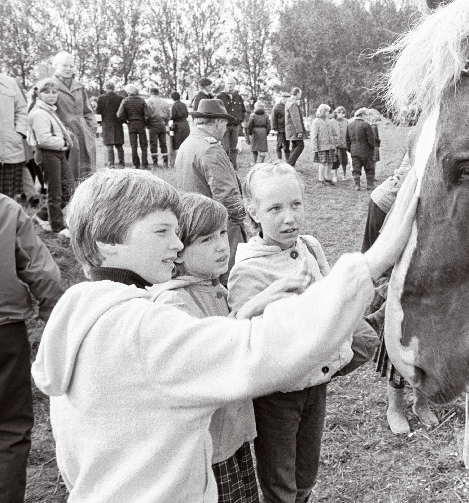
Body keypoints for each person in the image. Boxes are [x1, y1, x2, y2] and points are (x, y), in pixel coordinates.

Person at [30, 166, 415, 502]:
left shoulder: (83, 313)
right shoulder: (139, 329)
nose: (178, 245)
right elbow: (261, 349)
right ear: (107, 242)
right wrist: (373, 261)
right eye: (162, 231)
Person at [227, 162, 378, 503]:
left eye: (295, 204)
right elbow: (244, 336)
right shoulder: (247, 270)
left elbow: (328, 296)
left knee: (306, 466)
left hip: (314, 383)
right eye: (275, 208)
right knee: (280, 474)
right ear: (253, 211)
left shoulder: (309, 246)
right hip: (278, 392)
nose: (289, 218)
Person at [149, 192, 258, 503]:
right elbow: (205, 365)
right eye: (207, 239)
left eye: (223, 233)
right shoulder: (174, 302)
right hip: (208, 448)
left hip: (231, 433)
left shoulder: (214, 287)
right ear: (180, 251)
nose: (222, 245)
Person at [360, 126, 438, 434]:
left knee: (430, 344)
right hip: (404, 283)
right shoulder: (401, 196)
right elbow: (383, 247)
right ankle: (395, 405)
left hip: (436, 280)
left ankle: (423, 401)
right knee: (400, 343)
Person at [0, 193, 62, 503]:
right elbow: (42, 271)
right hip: (5, 330)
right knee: (10, 428)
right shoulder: (5, 208)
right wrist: (53, 315)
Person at [174, 98, 247, 279]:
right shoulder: (211, 149)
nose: (225, 129)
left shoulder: (187, 144)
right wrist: (245, 223)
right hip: (217, 228)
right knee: (230, 278)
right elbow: (228, 197)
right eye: (225, 124)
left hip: (193, 225)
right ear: (217, 122)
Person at [27, 78, 76, 238]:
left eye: (54, 92)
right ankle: (57, 227)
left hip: (57, 153)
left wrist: (66, 136)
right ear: (38, 94)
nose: (51, 95)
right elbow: (44, 139)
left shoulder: (49, 110)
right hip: (48, 154)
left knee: (69, 189)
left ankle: (42, 216)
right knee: (55, 192)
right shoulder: (39, 113)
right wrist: (64, 142)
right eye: (46, 92)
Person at [51, 51, 96, 180]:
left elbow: (88, 111)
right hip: (63, 133)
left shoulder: (79, 86)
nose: (68, 69)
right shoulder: (49, 85)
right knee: (67, 171)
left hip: (83, 133)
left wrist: (91, 128)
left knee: (87, 170)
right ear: (56, 65)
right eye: (65, 65)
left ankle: (87, 196)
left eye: (71, 66)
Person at [0, 72, 28, 200]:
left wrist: (19, 132)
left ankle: (7, 220)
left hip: (9, 149)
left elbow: (22, 109)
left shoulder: (9, 82)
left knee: (8, 198)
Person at [116, 85, 150, 169]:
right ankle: (145, 164)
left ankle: (136, 164)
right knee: (144, 145)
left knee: (133, 145)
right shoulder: (142, 101)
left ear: (128, 92)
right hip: (140, 123)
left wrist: (125, 121)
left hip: (131, 123)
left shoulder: (125, 101)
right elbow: (147, 115)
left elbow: (119, 115)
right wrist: (145, 123)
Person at [216, 79, 246, 170]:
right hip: (225, 125)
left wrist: (240, 120)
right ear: (225, 84)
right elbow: (216, 110)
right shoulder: (220, 96)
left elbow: (243, 110)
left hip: (235, 125)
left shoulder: (238, 97)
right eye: (228, 83)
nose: (230, 85)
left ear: (234, 85)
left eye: (231, 83)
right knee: (225, 147)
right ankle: (225, 166)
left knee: (234, 147)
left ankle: (233, 166)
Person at [345, 107, 377, 191]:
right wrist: (372, 148)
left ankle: (357, 185)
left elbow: (347, 140)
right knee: (369, 168)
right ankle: (370, 185)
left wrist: (350, 149)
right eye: (365, 115)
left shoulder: (349, 125)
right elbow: (371, 139)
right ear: (362, 115)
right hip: (366, 151)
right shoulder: (366, 125)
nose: (366, 117)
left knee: (356, 169)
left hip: (354, 151)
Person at [95, 82, 125, 168]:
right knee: (119, 145)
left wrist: (99, 123)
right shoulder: (120, 98)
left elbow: (98, 112)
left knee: (109, 145)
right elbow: (122, 113)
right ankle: (121, 163)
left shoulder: (101, 98)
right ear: (114, 88)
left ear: (105, 88)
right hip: (118, 123)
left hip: (106, 123)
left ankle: (111, 163)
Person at [310, 104, 338, 186]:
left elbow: (334, 133)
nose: (328, 113)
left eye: (328, 111)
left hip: (330, 146)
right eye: (327, 111)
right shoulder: (316, 122)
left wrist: (335, 141)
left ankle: (328, 178)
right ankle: (321, 179)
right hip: (321, 146)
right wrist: (315, 148)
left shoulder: (329, 121)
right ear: (322, 112)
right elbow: (314, 136)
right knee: (322, 163)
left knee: (330, 163)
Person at [146, 87, 171, 167]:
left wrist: (147, 124)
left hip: (153, 124)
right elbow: (168, 115)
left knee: (153, 144)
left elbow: (147, 115)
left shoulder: (149, 102)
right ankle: (165, 161)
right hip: (162, 124)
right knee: (163, 143)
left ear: (150, 92)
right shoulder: (164, 102)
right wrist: (165, 122)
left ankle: (155, 161)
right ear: (158, 93)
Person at [284, 87, 306, 167]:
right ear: (297, 93)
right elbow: (296, 119)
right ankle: (288, 165)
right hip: (294, 129)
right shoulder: (293, 104)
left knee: (294, 146)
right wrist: (299, 131)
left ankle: (291, 167)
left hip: (290, 129)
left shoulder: (289, 102)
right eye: (300, 94)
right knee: (300, 145)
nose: (300, 95)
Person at [247, 100, 271, 165]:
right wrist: (266, 132)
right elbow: (269, 126)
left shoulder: (253, 115)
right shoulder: (266, 116)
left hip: (255, 132)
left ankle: (254, 162)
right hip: (263, 132)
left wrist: (250, 132)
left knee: (254, 149)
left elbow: (249, 125)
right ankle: (261, 163)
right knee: (262, 149)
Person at [169, 91, 190, 165]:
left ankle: (179, 161)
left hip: (177, 126)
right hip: (186, 125)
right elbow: (187, 114)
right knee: (186, 143)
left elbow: (172, 117)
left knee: (178, 144)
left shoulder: (174, 106)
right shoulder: (184, 105)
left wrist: (171, 128)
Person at [331, 106, 349, 183]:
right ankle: (335, 176)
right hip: (335, 145)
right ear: (336, 113)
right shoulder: (331, 122)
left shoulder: (346, 121)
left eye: (343, 113)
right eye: (340, 113)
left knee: (344, 161)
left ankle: (344, 175)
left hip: (344, 144)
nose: (342, 114)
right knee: (335, 161)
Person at [271, 92, 289, 160]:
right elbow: (273, 118)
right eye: (286, 98)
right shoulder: (276, 107)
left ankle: (288, 162)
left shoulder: (288, 106)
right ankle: (279, 161)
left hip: (287, 129)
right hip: (280, 130)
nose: (287, 99)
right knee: (279, 146)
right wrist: (275, 129)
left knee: (287, 146)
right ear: (283, 98)